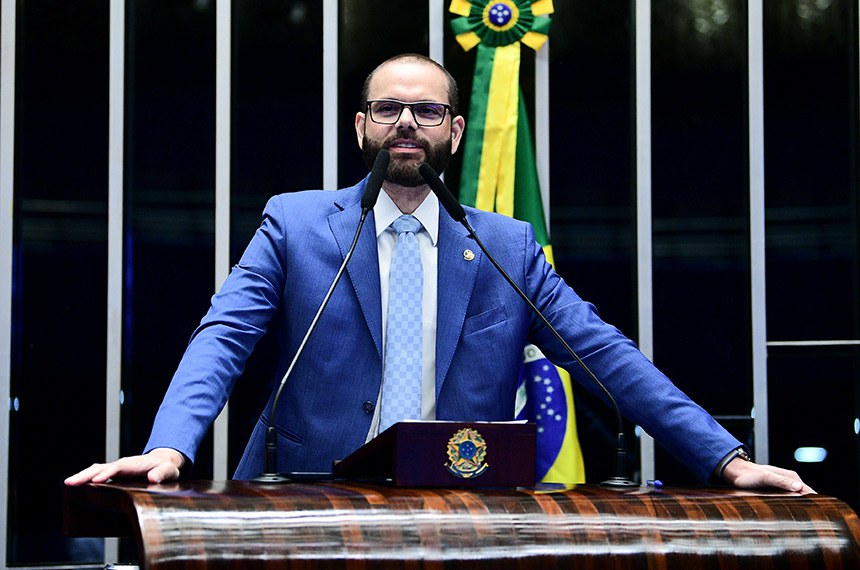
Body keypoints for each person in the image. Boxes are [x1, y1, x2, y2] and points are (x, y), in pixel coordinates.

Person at [66, 53, 812, 494]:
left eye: (426, 111)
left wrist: (725, 461)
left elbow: (603, 354)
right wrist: (170, 448)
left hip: (460, 501)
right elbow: (223, 337)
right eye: (388, 108)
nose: (407, 124)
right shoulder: (295, 223)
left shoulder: (505, 246)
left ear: (455, 129)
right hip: (304, 502)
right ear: (360, 125)